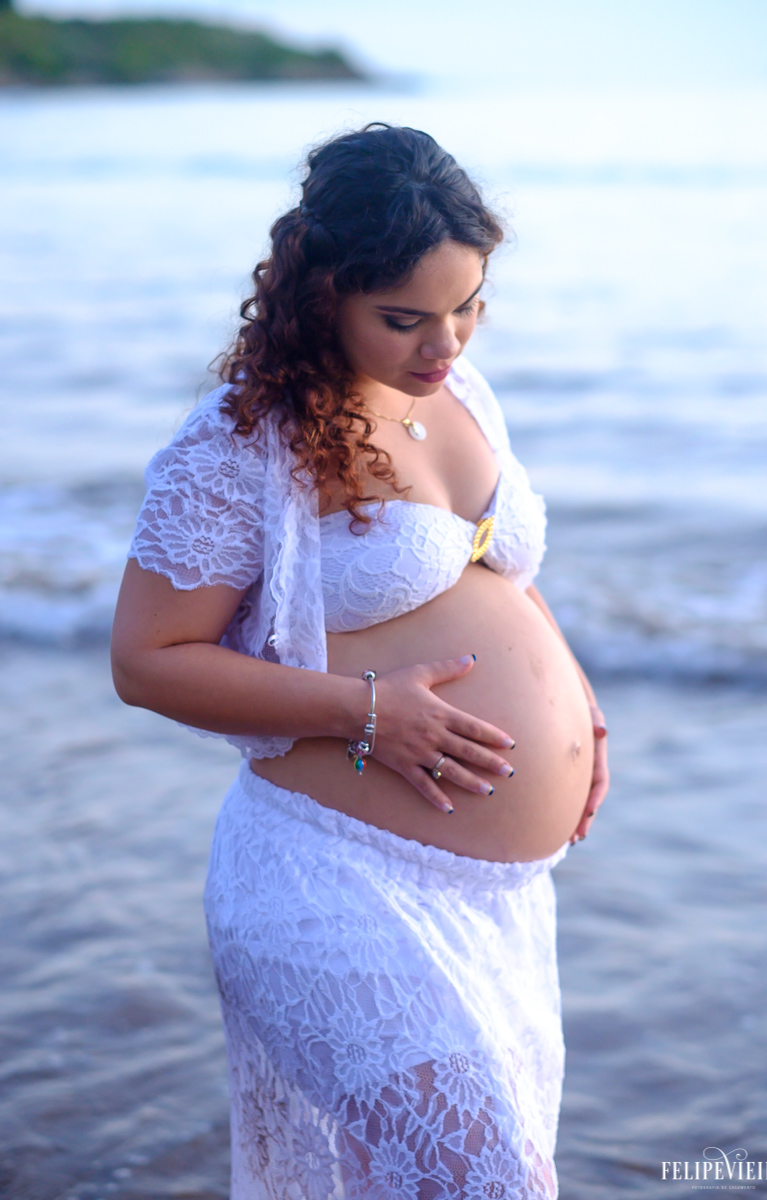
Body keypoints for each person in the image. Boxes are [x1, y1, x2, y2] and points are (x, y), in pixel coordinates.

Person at [111, 123, 609, 1200]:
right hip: (327, 876)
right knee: (487, 1181)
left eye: (470, 304)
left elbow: (499, 576)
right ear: (319, 292)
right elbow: (148, 659)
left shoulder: (462, 397)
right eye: (406, 318)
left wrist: (577, 703)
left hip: (493, 901)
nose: (448, 346)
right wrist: (365, 710)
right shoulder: (241, 443)